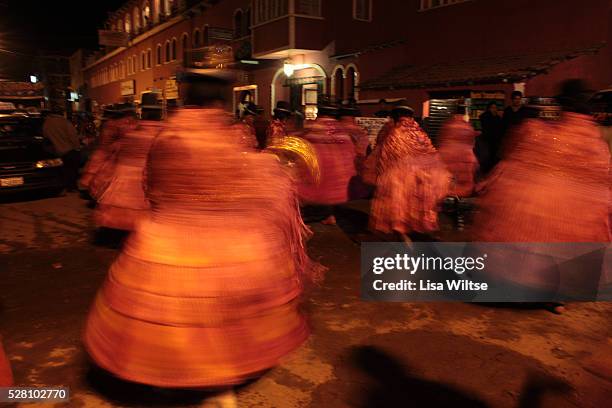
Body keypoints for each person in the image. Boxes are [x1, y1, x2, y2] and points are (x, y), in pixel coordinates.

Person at [84, 68, 315, 400]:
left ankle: (169, 375)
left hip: (167, 241)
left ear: (186, 95)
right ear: (222, 99)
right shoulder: (232, 136)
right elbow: (250, 184)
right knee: (224, 324)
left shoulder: (166, 135)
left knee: (167, 321)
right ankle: (219, 386)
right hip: (231, 244)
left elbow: (152, 186)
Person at [471, 79, 610, 314]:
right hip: (575, 205)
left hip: (536, 199)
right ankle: (555, 296)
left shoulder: (540, 131)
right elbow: (602, 173)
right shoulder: (594, 141)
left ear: (561, 105)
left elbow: (515, 154)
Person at [369, 100, 451, 242]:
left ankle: (403, 235)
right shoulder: (421, 133)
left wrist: (381, 176)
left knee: (399, 208)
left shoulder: (394, 133)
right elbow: (431, 153)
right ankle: (409, 233)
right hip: (421, 176)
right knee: (413, 206)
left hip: (399, 177)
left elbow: (386, 156)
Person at [93, 101, 164, 231]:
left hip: (126, 177)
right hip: (152, 178)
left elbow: (114, 153)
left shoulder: (132, 133)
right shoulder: (164, 133)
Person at [298, 102, 357, 225]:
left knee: (316, 191)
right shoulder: (341, 129)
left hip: (319, 166)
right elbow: (350, 150)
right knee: (329, 193)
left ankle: (319, 215)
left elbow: (304, 146)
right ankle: (330, 215)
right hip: (337, 168)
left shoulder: (314, 127)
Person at [79, 105, 137, 195]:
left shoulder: (108, 124)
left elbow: (104, 143)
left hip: (107, 156)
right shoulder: (125, 124)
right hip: (118, 157)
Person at [42, 105, 81, 191]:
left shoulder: (47, 123)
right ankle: (72, 186)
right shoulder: (65, 122)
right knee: (72, 169)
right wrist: (77, 147)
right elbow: (73, 136)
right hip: (69, 150)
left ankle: (64, 185)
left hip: (56, 151)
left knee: (62, 170)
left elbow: (46, 136)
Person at [477, 101, 504, 173]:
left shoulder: (497, 118)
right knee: (487, 157)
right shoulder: (485, 117)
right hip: (487, 141)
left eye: (495, 108)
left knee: (493, 156)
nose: (494, 109)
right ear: (489, 108)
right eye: (492, 107)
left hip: (495, 141)